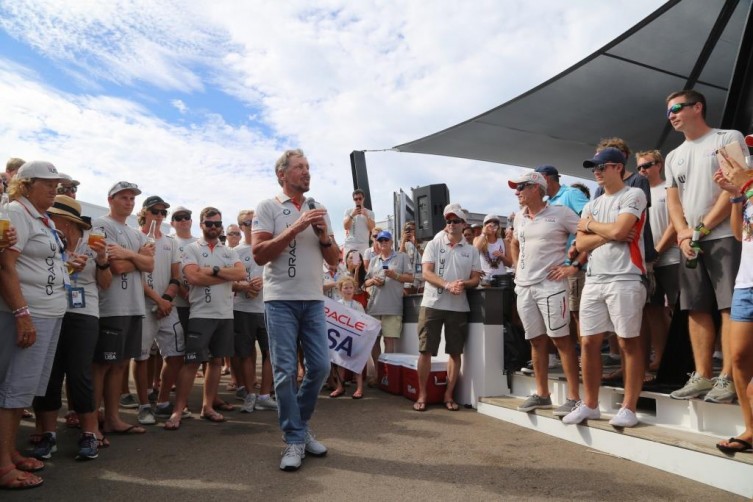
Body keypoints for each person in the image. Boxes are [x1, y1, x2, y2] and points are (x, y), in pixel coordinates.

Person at [252, 148, 340, 471]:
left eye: (308, 166)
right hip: (279, 300)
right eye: (299, 167)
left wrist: (323, 236)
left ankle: (299, 427)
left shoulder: (319, 210)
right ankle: (293, 438)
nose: (306, 172)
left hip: (313, 299)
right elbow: (259, 254)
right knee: (285, 370)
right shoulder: (268, 207)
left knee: (320, 367)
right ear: (282, 174)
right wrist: (298, 226)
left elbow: (333, 261)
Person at [664, 89, 747, 403]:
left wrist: (701, 228)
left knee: (728, 307)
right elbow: (673, 201)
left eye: (676, 108)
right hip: (692, 242)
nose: (671, 115)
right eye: (668, 111)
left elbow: (738, 183)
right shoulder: (673, 156)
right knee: (695, 307)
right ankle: (702, 375)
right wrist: (684, 233)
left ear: (697, 107)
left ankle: (727, 376)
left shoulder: (727, 138)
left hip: (726, 235)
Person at [563, 147, 647, 428]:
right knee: (588, 341)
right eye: (594, 168)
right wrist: (608, 232)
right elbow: (581, 245)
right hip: (596, 278)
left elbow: (621, 232)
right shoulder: (590, 205)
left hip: (626, 276)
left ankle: (629, 407)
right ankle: (590, 404)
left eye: (602, 166)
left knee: (627, 342)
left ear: (618, 167)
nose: (596, 172)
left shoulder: (634, 194)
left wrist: (595, 229)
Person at [0, 161, 65, 489]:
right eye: (47, 183)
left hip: (48, 312)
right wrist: (22, 313)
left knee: (23, 390)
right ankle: (2, 467)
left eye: (56, 183)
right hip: (31, 312)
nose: (55, 188)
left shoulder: (40, 217)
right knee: (14, 388)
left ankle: (8, 452)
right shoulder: (15, 213)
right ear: (25, 185)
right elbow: (5, 266)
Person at [32, 195, 111, 461]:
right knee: (49, 375)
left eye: (53, 216)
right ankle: (48, 435)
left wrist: (102, 261)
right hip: (50, 310)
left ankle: (89, 434)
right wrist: (66, 265)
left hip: (84, 313)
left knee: (80, 374)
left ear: (66, 221)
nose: (49, 219)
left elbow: (105, 283)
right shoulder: (50, 239)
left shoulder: (93, 242)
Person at [507, 172, 584, 418]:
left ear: (537, 188)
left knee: (561, 340)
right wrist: (518, 268)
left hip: (551, 286)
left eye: (521, 187)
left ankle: (574, 398)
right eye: (516, 188)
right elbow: (515, 244)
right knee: (536, 340)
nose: (517, 191)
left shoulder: (560, 212)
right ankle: (542, 393)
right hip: (525, 287)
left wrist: (574, 265)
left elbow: (586, 235)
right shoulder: (519, 217)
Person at [165, 207, 245, 429]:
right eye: (209, 223)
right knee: (191, 363)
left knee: (217, 361)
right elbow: (193, 277)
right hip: (201, 313)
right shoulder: (191, 248)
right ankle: (178, 410)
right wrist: (222, 275)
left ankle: (207, 406)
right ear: (201, 224)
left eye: (217, 224)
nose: (213, 227)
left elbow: (240, 274)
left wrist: (212, 270)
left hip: (225, 314)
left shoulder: (228, 251)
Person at [93, 181, 154, 436]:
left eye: (132, 198)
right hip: (111, 307)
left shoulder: (136, 233)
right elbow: (113, 267)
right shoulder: (101, 225)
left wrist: (128, 255)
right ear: (111, 199)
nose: (129, 202)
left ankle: (113, 418)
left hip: (133, 306)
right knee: (102, 366)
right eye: (123, 197)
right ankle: (91, 421)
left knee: (121, 365)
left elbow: (150, 265)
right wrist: (137, 258)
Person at [414, 203, 481, 412]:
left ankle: (449, 395)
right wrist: (447, 284)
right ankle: (422, 394)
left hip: (458, 307)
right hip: (432, 304)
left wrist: (465, 284)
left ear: (463, 224)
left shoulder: (471, 250)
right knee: (425, 351)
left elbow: (476, 278)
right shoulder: (434, 244)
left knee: (455, 352)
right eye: (448, 221)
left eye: (455, 221)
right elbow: (426, 272)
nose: (451, 224)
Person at [712, 145, 753, 454]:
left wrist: (745, 187)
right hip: (745, 284)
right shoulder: (748, 188)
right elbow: (741, 235)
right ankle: (751, 429)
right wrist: (737, 196)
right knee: (737, 358)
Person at [133, 196, 185, 425]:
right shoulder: (135, 237)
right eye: (155, 211)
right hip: (142, 305)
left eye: (164, 212)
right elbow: (135, 276)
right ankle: (144, 404)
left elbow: (176, 276)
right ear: (144, 212)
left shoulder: (171, 242)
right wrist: (157, 299)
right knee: (142, 356)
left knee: (175, 354)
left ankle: (163, 401)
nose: (160, 216)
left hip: (166, 305)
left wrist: (165, 299)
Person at [636, 150, 679, 374]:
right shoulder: (636, 194)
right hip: (647, 263)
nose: (643, 170)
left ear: (659, 165)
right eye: (639, 167)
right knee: (653, 312)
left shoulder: (667, 189)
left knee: (677, 308)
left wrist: (656, 251)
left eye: (647, 165)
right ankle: (661, 358)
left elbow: (675, 223)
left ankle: (683, 357)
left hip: (671, 257)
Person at [232, 209, 277, 413]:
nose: (252, 225)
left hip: (268, 307)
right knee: (245, 354)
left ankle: (265, 395)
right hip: (243, 309)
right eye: (247, 222)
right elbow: (229, 280)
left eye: (255, 221)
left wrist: (263, 285)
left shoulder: (268, 247)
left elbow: (279, 276)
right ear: (241, 227)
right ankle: (250, 394)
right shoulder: (235, 252)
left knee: (271, 352)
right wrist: (245, 286)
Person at [365, 230, 413, 354]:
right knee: (373, 341)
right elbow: (364, 283)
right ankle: (377, 372)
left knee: (389, 341)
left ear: (391, 242)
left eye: (386, 240)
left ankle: (389, 373)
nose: (383, 242)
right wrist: (372, 281)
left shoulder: (402, 257)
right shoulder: (374, 260)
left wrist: (395, 275)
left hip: (392, 307)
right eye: (380, 240)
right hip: (373, 308)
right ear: (376, 243)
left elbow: (410, 278)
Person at [329, 276, 367, 399]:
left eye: (351, 287)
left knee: (357, 363)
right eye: (345, 287)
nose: (348, 290)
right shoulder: (336, 305)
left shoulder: (358, 305)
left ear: (354, 289)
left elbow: (364, 321)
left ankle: (359, 388)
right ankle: (340, 387)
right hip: (341, 339)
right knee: (340, 363)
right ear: (340, 289)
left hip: (355, 339)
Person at [170, 206, 196, 334]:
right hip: (177, 305)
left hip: (199, 305)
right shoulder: (169, 242)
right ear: (172, 223)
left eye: (187, 217)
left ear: (191, 221)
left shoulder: (200, 242)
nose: (183, 220)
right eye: (178, 218)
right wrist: (185, 294)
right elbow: (168, 272)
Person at [474, 214, 511, 282]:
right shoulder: (478, 239)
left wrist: (502, 256)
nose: (492, 225)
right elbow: (474, 252)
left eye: (495, 223)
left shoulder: (504, 242)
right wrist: (484, 234)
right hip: (485, 279)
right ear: (484, 225)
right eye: (489, 223)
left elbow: (510, 264)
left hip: (501, 279)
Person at [342, 189, 375, 255]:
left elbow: (372, 228)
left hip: (364, 244)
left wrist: (367, 216)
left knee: (364, 265)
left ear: (363, 199)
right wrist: (352, 215)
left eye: (360, 198)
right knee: (352, 264)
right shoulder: (348, 211)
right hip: (351, 244)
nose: (358, 201)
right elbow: (346, 227)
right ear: (353, 200)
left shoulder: (370, 213)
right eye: (356, 199)